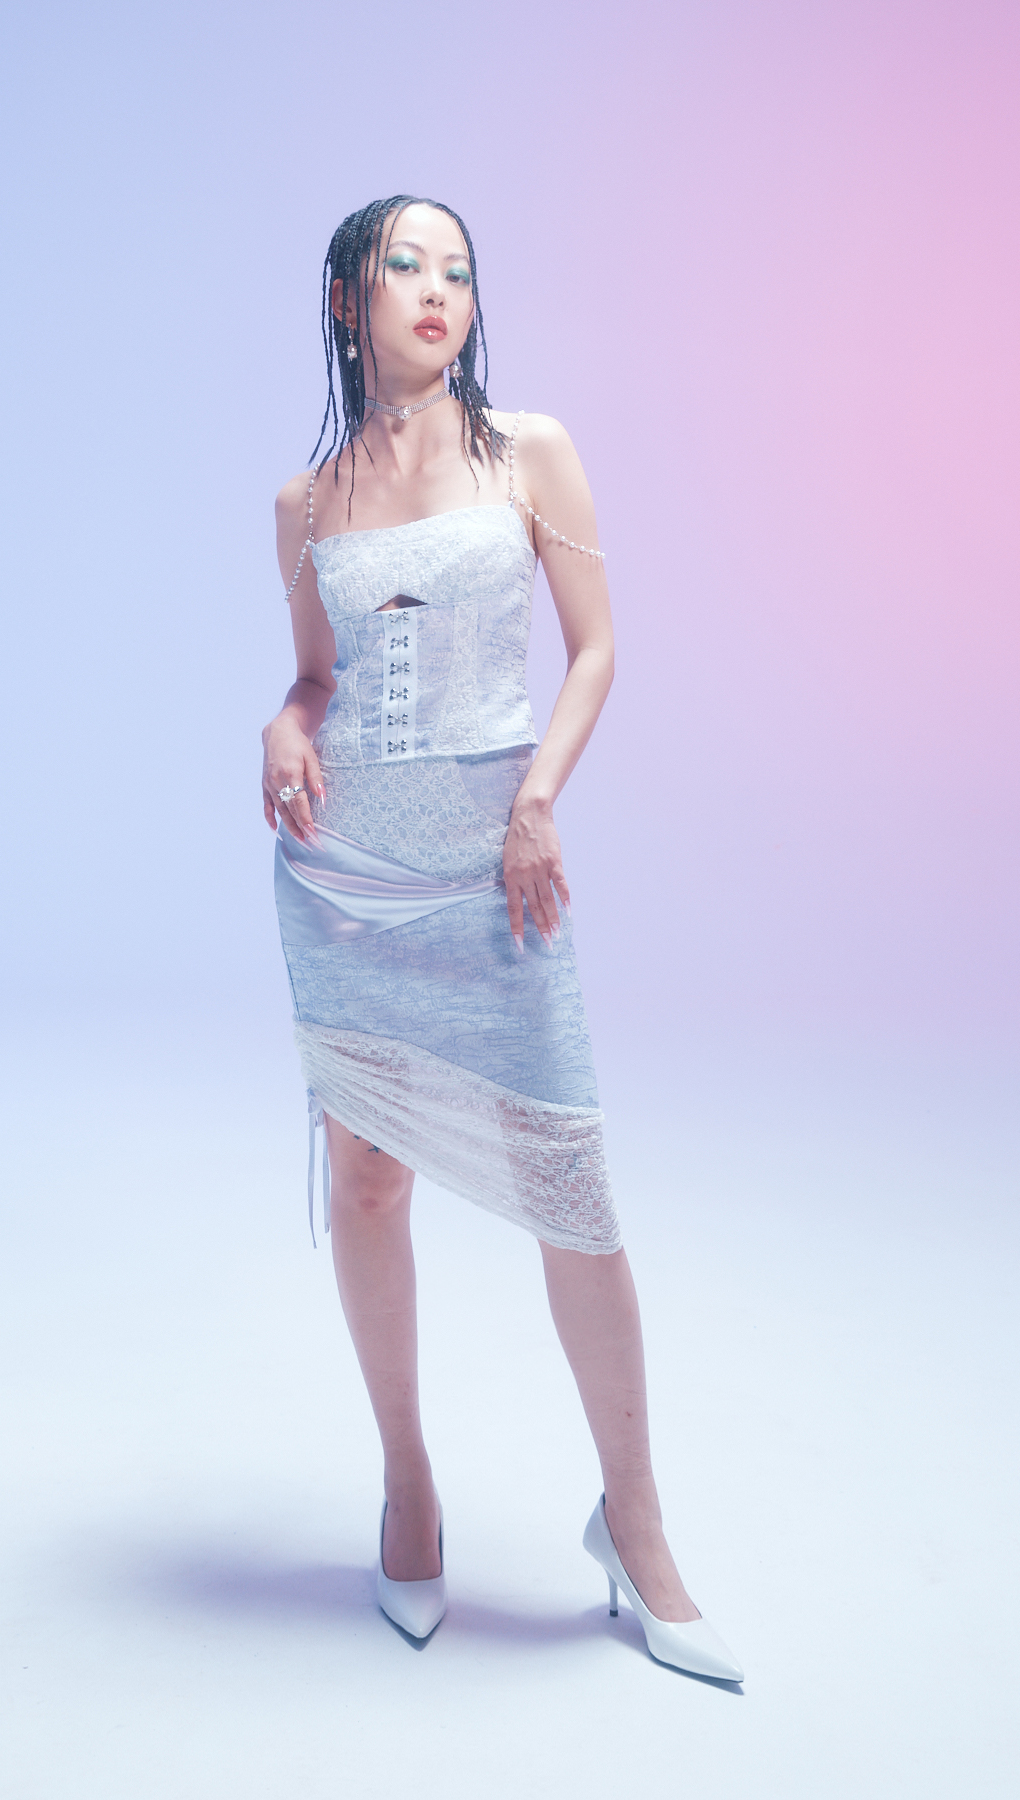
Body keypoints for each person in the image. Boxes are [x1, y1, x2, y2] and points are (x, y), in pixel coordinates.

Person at [262, 195, 742, 1681]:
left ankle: (635, 1520)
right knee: (367, 1180)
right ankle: (409, 1486)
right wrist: (284, 720)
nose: (438, 291)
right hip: (346, 883)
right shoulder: (305, 504)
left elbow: (597, 646)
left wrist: (536, 801)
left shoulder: (529, 450)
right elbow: (318, 677)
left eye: (460, 271)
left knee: (570, 1191)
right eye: (405, 265)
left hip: (493, 874)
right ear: (346, 300)